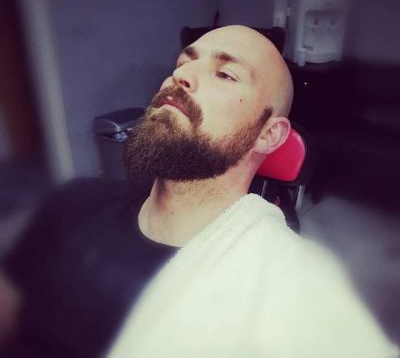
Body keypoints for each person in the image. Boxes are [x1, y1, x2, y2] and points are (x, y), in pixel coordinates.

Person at [0, 25, 398, 358]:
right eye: (182, 63)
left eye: (225, 74)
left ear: (268, 134)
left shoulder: (291, 289)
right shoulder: (71, 203)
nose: (180, 77)